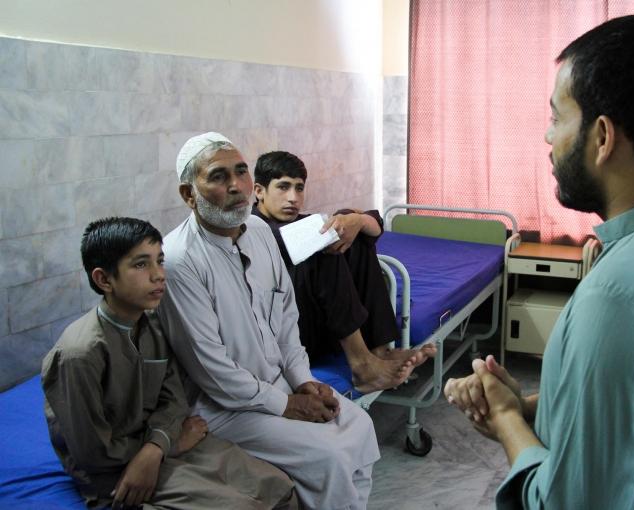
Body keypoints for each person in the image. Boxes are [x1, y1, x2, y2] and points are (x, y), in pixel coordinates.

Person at [444, 14, 634, 510]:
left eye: (557, 117)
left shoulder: (621, 299)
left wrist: (505, 421)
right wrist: (525, 407)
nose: (548, 137)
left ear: (602, 137)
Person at [157, 133, 380, 509]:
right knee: (329, 455)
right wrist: (286, 405)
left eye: (241, 172)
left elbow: (286, 321)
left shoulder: (259, 232)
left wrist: (304, 381)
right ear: (188, 194)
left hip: (280, 384)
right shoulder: (181, 260)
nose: (235, 186)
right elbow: (212, 370)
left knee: (359, 424)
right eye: (217, 176)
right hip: (226, 408)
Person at [41, 217, 297, 510]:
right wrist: (164, 447)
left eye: (160, 261)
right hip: (118, 469)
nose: (159, 275)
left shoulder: (154, 326)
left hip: (165, 443)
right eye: (140, 265)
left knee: (279, 488)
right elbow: (92, 452)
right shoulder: (79, 354)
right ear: (104, 279)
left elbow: (174, 398)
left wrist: (158, 445)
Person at [251, 150, 436, 393]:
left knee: (351, 234)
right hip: (286, 337)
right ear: (259, 191)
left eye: (299, 188)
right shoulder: (252, 230)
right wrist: (344, 224)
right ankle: (362, 365)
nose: (293, 197)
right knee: (327, 246)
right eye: (283, 187)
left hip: (318, 328)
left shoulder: (298, 224)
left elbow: (376, 224)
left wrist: (355, 221)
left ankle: (379, 351)